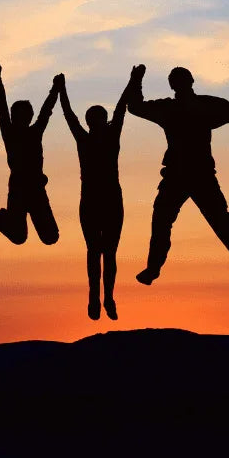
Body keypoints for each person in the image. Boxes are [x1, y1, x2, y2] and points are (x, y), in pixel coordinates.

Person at [128, 66, 229, 285]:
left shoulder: (179, 108)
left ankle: (153, 270)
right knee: (214, 224)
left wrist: (136, 80)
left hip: (193, 176)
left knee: (216, 224)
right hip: (185, 176)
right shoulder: (197, 106)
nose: (178, 84)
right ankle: (152, 269)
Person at [59, 67, 142, 320]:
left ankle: (104, 299)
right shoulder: (93, 137)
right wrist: (132, 80)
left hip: (104, 200)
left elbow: (118, 108)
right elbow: (116, 109)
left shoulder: (99, 136)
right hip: (99, 200)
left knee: (103, 253)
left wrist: (133, 80)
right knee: (99, 252)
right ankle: (98, 299)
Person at [0, 69, 59, 246]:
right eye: (21, 114)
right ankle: (1, 218)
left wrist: (55, 90)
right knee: (18, 237)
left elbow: (46, 111)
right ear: (15, 116)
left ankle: (4, 218)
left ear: (30, 116)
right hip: (18, 189)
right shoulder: (9, 132)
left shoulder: (35, 132)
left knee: (50, 237)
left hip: (36, 189)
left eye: (27, 114)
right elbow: (2, 107)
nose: (24, 117)